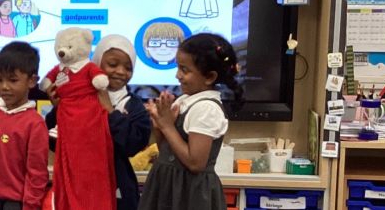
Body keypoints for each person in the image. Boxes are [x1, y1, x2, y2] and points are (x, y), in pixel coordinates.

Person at [138, 33, 243, 210]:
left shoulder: (206, 108)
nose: (177, 75)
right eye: (178, 67)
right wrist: (159, 126)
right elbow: (168, 151)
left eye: (185, 70)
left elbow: (195, 163)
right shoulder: (183, 101)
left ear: (209, 77)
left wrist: (167, 126)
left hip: (190, 194)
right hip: (167, 187)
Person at [46, 34, 151, 210]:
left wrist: (110, 111)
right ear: (95, 64)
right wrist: (60, 109)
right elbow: (52, 141)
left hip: (117, 190)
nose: (121, 72)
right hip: (76, 185)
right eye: (113, 64)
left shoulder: (134, 105)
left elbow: (133, 145)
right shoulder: (76, 99)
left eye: (128, 68)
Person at [0, 42, 49, 210]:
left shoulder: (35, 123)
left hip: (16, 204)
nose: (4, 86)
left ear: (32, 81)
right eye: (0, 80)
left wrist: (31, 206)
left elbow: (37, 174)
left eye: (13, 80)